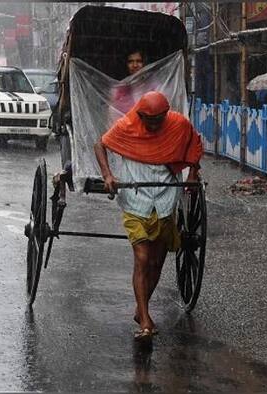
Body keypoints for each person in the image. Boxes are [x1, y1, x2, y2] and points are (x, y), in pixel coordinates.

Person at [94, 91, 203, 341]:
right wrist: (107, 175)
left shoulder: (179, 125)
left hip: (166, 198)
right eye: (149, 120)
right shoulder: (126, 126)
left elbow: (193, 146)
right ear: (140, 115)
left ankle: (140, 308)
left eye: (159, 120)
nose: (154, 125)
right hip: (135, 200)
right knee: (142, 257)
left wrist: (193, 173)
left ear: (166, 115)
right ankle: (145, 320)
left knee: (156, 261)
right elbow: (100, 144)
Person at [113, 50, 146, 114]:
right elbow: (112, 117)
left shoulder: (154, 87)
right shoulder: (118, 90)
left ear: (144, 64)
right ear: (126, 64)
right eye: (130, 62)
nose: (135, 65)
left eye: (139, 61)